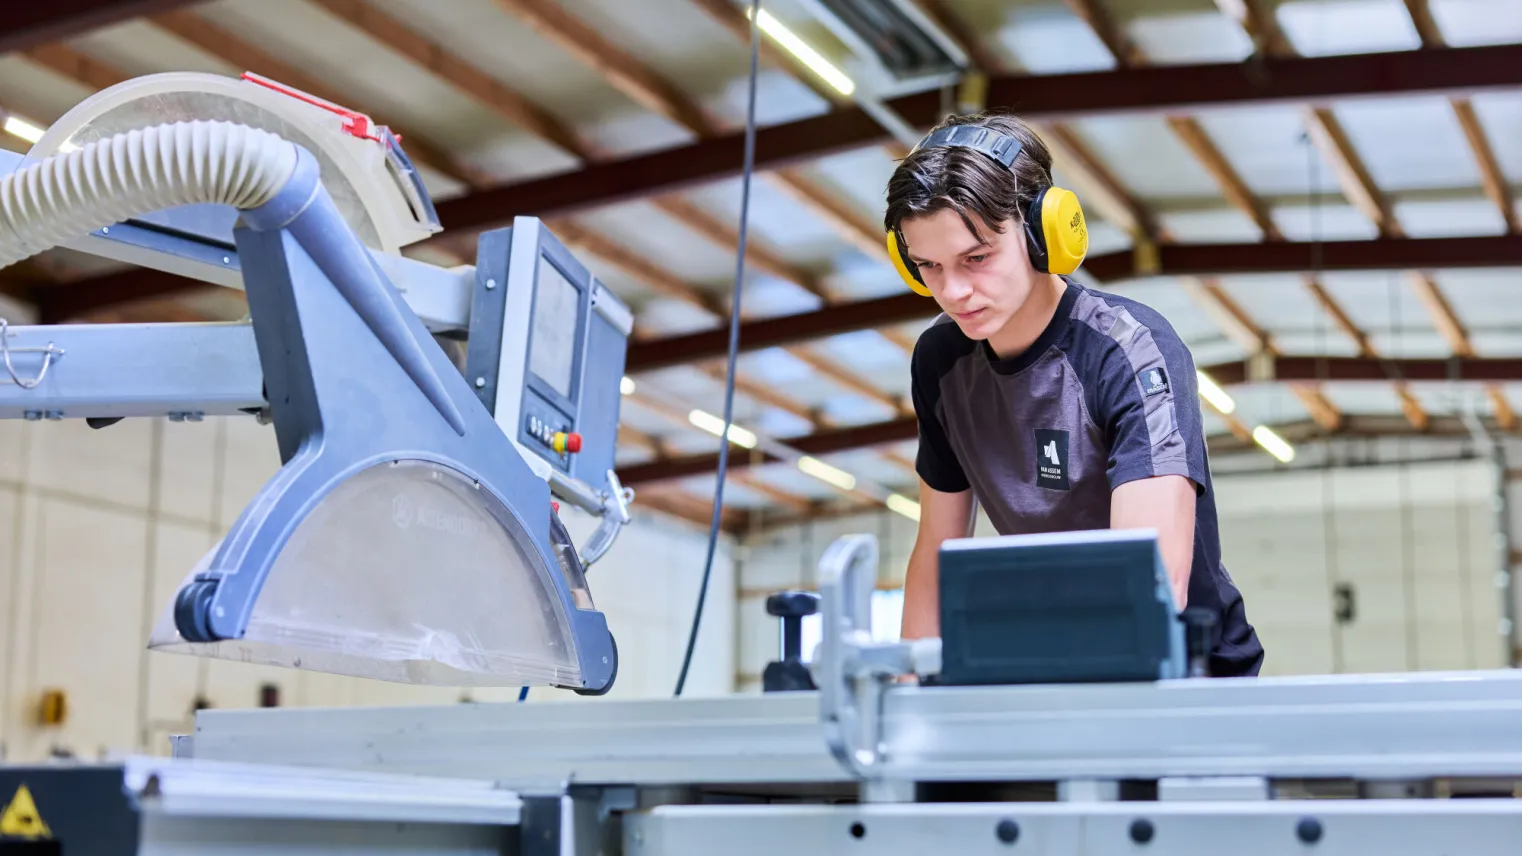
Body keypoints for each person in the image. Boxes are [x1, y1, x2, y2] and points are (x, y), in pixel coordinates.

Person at [885, 110, 1264, 678]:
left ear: (1044, 234)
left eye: (976, 258)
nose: (954, 291)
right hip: (1053, 666)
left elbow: (1154, 583)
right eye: (928, 266)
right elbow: (936, 551)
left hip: (1190, 677)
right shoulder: (941, 362)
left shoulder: (1128, 351)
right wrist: (908, 695)